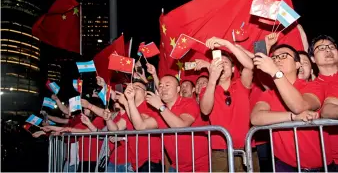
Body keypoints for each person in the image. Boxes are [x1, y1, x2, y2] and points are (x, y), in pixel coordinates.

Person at [251, 44, 333, 171]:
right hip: (285, 166)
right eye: (274, 58)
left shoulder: (313, 86)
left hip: (320, 167)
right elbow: (255, 118)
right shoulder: (268, 94)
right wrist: (293, 117)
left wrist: (275, 72)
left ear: (297, 65)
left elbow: (299, 106)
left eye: (283, 56)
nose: (277, 60)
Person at [200, 36, 258, 172]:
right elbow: (205, 110)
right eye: (217, 62)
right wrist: (212, 80)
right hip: (220, 153)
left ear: (233, 69)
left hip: (247, 149)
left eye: (225, 62)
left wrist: (226, 43)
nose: (221, 65)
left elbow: (250, 66)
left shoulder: (241, 84)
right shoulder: (207, 89)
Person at [130, 75, 209, 172]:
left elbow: (181, 127)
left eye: (167, 85)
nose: (163, 89)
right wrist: (129, 101)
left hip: (199, 166)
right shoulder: (159, 111)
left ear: (178, 89)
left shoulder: (189, 103)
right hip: (177, 167)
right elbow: (140, 126)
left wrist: (160, 106)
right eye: (161, 86)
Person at [303, 35, 338, 170]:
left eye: (331, 47)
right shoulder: (310, 88)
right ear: (312, 58)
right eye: (321, 48)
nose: (328, 50)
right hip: (327, 161)